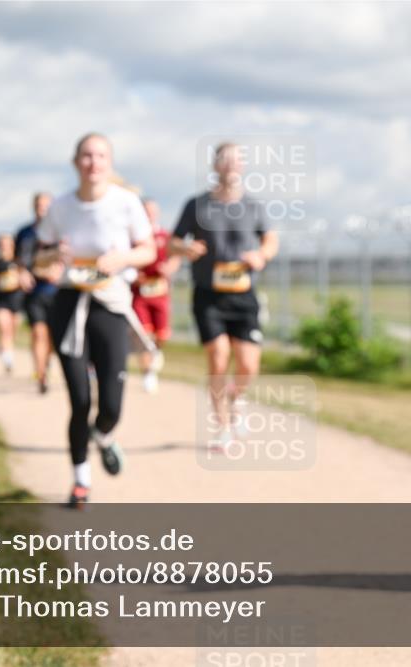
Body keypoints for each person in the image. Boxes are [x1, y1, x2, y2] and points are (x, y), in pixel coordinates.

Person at [38, 133, 155, 508]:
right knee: (79, 398)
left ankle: (103, 436)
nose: (93, 162)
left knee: (111, 405)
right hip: (70, 305)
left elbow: (148, 250)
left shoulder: (125, 203)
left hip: (110, 304)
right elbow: (38, 259)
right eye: (87, 155)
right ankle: (80, 482)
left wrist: (122, 259)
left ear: (109, 162)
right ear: (76, 162)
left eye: (100, 155)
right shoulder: (60, 208)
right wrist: (54, 254)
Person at [170, 142, 279, 449]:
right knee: (218, 357)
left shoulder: (254, 205)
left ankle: (238, 397)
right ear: (215, 165)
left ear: (243, 165)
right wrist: (185, 249)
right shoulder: (196, 205)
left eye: (237, 160)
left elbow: (271, 240)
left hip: (244, 294)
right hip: (208, 294)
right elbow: (172, 242)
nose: (231, 165)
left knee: (248, 365)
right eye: (225, 159)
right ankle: (222, 426)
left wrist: (261, 255)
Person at [131, 197, 181, 393]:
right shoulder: (133, 237)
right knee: (144, 334)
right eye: (146, 210)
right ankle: (148, 373)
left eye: (152, 211)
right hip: (139, 294)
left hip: (160, 293)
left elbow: (176, 254)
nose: (149, 214)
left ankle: (156, 352)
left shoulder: (165, 236)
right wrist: (134, 275)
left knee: (162, 335)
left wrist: (170, 268)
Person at [15, 193, 56, 393]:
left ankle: (45, 364)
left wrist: (59, 271)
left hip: (57, 292)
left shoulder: (61, 231)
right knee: (38, 333)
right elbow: (17, 260)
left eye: (46, 205)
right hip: (34, 292)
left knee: (52, 338)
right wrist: (21, 273)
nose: (42, 208)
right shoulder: (25, 232)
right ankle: (41, 375)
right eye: (39, 205)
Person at [0, 233, 23, 374]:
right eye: (2, 243)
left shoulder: (19, 262)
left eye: (7, 243)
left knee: (12, 331)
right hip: (1, 300)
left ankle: (5, 348)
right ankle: (8, 359)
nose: (4, 246)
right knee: (4, 328)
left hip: (17, 300)